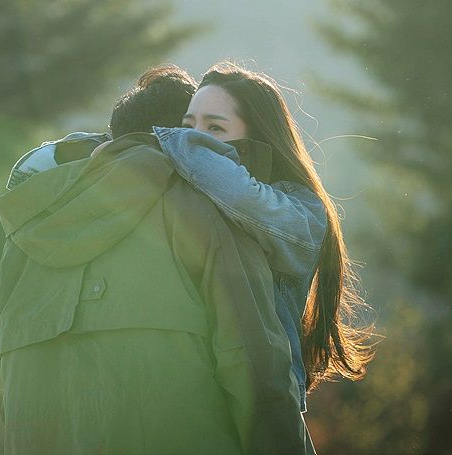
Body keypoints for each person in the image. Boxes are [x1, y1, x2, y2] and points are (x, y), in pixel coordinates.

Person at [0, 66, 308, 454]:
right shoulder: (204, 218)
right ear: (183, 145)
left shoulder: (24, 240)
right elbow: (260, 380)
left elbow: (8, 391)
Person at [153, 61, 376, 418]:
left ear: (258, 139)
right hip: (188, 406)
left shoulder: (300, 210)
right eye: (188, 124)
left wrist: (160, 139)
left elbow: (241, 195)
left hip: (264, 411)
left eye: (215, 127)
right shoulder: (186, 198)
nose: (194, 138)